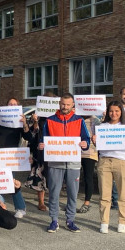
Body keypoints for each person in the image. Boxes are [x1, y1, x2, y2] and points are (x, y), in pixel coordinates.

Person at [38, 93, 91, 233]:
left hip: (73, 162)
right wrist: (41, 145)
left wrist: (85, 144)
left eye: (68, 104)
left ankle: (70, 220)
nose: (65, 107)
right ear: (59, 104)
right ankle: (54, 220)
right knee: (54, 193)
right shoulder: (50, 120)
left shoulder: (79, 120)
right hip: (55, 162)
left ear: (73, 105)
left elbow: (86, 139)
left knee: (73, 193)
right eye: (63, 104)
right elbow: (43, 140)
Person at [93, 101, 125, 233]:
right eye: (111, 111)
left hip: (123, 162)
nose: (114, 114)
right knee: (104, 194)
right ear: (108, 112)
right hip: (105, 162)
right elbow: (99, 146)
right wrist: (94, 140)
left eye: (117, 111)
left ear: (121, 112)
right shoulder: (102, 126)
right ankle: (104, 222)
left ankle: (122, 222)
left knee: (123, 194)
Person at [24, 112, 48, 211]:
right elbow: (31, 135)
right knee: (40, 176)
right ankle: (41, 201)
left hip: (55, 150)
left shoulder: (56, 118)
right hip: (39, 152)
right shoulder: (39, 119)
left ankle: (53, 199)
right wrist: (35, 121)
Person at [77, 114, 100, 215]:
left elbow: (101, 134)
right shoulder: (76, 118)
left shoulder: (96, 120)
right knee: (73, 178)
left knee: (88, 177)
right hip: (74, 151)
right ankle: (71, 202)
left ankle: (87, 202)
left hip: (90, 152)